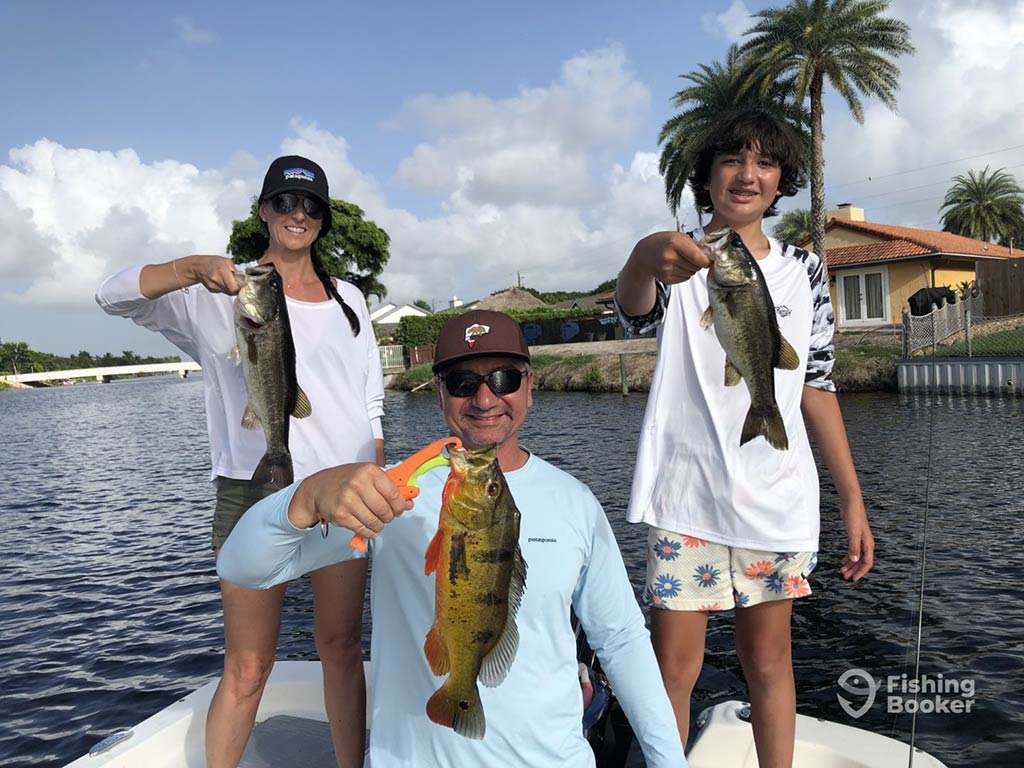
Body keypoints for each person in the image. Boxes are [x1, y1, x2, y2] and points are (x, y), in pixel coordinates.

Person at [217, 310, 688, 768]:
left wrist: (669, 761)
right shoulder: (388, 496)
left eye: (503, 378)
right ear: (439, 396)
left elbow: (622, 639)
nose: (485, 399)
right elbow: (242, 567)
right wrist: (306, 497)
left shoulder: (576, 501)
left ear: (530, 387)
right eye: (462, 383)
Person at [95, 155, 382, 768]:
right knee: (248, 664)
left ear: (323, 220)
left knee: (341, 646)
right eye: (284, 203)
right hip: (255, 490)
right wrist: (193, 268)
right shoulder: (215, 295)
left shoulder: (350, 300)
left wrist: (376, 475)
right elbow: (111, 295)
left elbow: (370, 403)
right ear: (263, 212)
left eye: (310, 206)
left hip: (346, 492)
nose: (297, 214)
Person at [614, 107, 874, 768]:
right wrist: (645, 256)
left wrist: (851, 497)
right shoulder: (676, 260)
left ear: (784, 178)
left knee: (768, 662)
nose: (747, 174)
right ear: (706, 175)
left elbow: (816, 383)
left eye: (764, 162)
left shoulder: (803, 269)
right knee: (672, 669)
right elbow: (635, 308)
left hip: (775, 501)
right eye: (732, 159)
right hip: (685, 499)